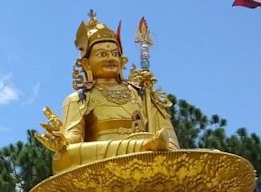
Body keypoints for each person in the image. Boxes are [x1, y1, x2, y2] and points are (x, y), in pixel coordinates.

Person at [36, 10, 179, 174]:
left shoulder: (142, 93)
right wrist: (62, 141)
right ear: (86, 64)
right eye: (102, 54)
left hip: (153, 157)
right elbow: (74, 139)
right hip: (104, 162)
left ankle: (148, 148)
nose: (110, 58)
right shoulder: (79, 98)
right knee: (65, 156)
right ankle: (142, 147)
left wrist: (173, 154)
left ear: (122, 60)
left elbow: (167, 137)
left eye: (114, 54)